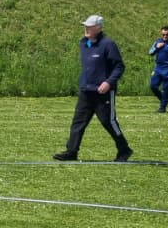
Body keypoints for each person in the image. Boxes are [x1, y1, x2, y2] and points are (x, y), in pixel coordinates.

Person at [54, 15, 133, 163]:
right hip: (86, 91)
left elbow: (119, 66)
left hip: (103, 93)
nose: (86, 29)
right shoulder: (83, 43)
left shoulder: (108, 44)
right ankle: (71, 151)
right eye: (85, 26)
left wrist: (108, 82)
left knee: (108, 121)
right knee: (78, 122)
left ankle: (124, 149)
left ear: (99, 28)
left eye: (89, 26)